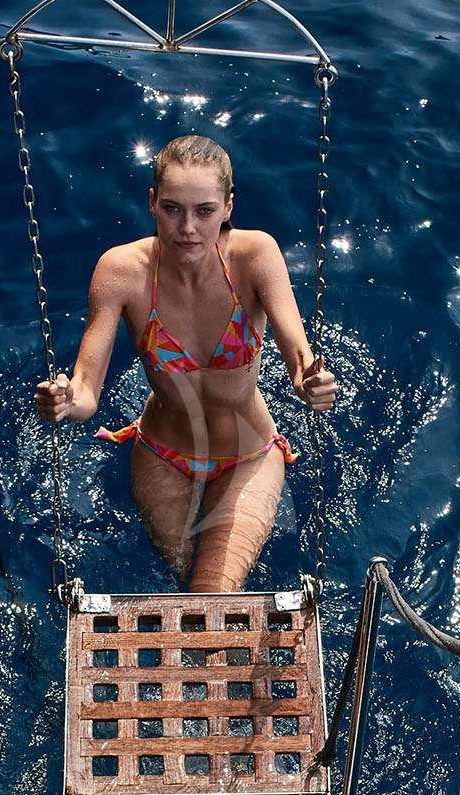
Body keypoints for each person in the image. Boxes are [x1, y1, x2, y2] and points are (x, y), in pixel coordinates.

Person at [34, 134, 337, 592]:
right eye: (173, 209)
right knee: (183, 591)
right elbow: (87, 392)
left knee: (211, 594)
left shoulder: (255, 256)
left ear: (228, 207)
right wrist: (62, 400)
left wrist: (313, 384)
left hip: (247, 455)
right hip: (162, 454)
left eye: (205, 211)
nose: (188, 228)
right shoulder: (121, 271)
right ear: (152, 202)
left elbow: (300, 360)